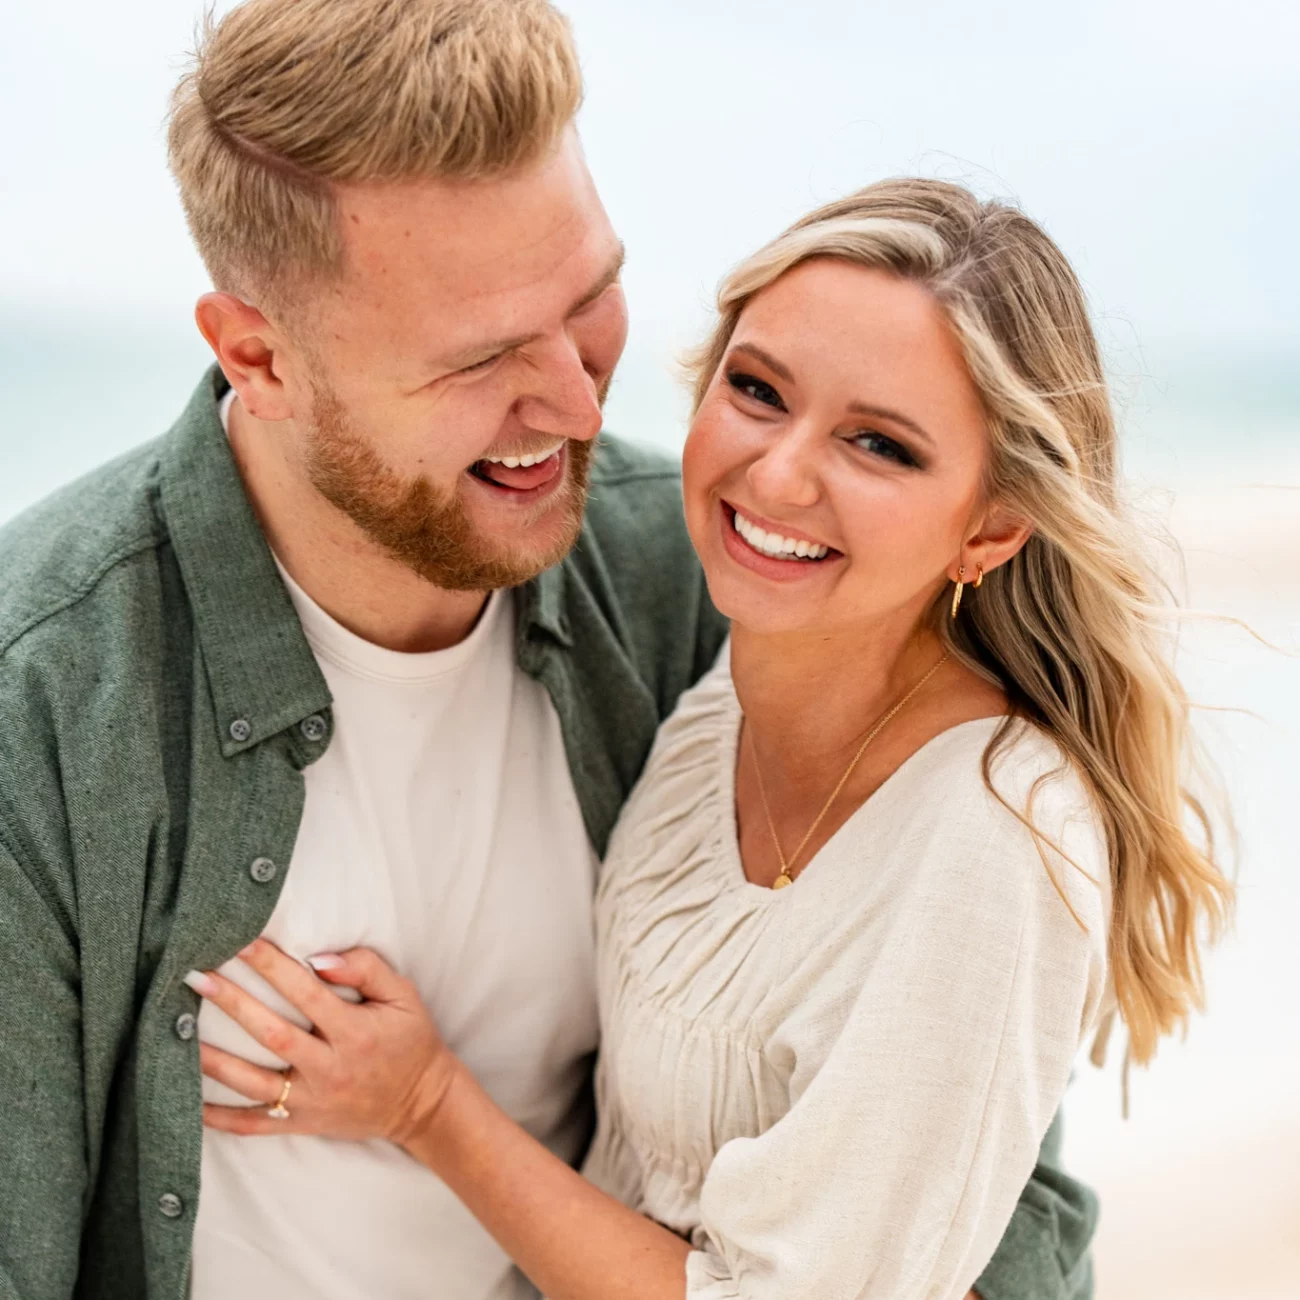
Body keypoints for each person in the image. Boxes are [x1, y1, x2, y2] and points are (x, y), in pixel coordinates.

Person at [0, 2, 1102, 1298]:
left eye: (589, 303)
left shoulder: (697, 578)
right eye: (480, 358)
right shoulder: (54, 698)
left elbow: (984, 1162)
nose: (581, 407)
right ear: (258, 356)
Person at [185, 180, 1232, 1298]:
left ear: (991, 527)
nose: (777, 474)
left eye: (879, 444)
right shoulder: (726, 687)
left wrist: (428, 1105)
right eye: (757, 389)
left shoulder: (992, 839)